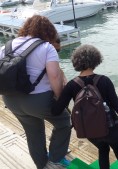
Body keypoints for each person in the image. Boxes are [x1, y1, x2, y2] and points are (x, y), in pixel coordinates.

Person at [0, 15, 71, 169]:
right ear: (49, 31)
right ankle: (55, 160)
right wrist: (60, 100)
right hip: (38, 101)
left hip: (10, 100)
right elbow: (54, 75)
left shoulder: (7, 46)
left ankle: (42, 166)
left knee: (33, 134)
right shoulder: (47, 47)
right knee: (64, 122)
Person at [51, 44, 118, 169]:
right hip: (111, 129)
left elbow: (56, 110)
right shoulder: (104, 80)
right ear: (96, 60)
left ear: (76, 61)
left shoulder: (71, 85)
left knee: (103, 149)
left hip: (90, 131)